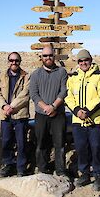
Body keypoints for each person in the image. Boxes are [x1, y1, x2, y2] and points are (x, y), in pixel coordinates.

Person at [65, 49, 100, 190]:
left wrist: (88, 111)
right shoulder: (73, 78)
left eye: (86, 60)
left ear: (90, 60)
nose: (83, 63)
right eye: (81, 61)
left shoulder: (99, 76)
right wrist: (77, 111)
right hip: (78, 121)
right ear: (78, 62)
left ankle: (99, 174)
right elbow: (68, 96)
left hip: (94, 120)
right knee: (81, 148)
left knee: (96, 147)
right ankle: (84, 174)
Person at [29, 45, 68, 176]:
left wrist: (54, 106)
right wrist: (46, 107)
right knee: (41, 142)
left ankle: (61, 170)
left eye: (50, 55)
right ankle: (43, 169)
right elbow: (34, 94)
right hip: (41, 114)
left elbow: (63, 91)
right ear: (41, 57)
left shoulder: (61, 72)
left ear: (54, 56)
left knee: (60, 143)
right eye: (45, 56)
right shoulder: (35, 74)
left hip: (58, 113)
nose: (48, 58)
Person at [0, 52, 30, 177]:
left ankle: (21, 167)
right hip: (5, 115)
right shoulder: (1, 76)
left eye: (16, 60)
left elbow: (25, 94)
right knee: (6, 141)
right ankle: (8, 165)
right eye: (11, 60)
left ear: (20, 61)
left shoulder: (26, 76)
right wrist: (4, 106)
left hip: (20, 114)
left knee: (21, 142)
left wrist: (12, 106)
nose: (14, 62)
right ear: (8, 61)